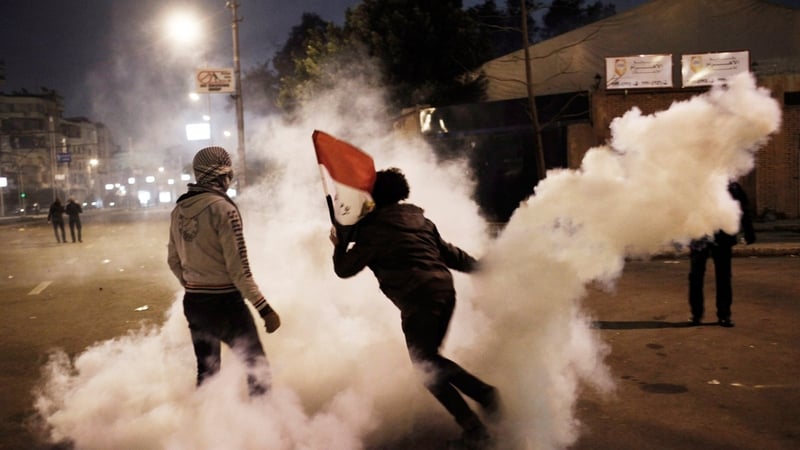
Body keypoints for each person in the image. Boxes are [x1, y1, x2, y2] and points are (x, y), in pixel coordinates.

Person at [329, 167, 500, 449]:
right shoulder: (421, 221)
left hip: (417, 297)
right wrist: (480, 266)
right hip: (444, 291)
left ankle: (483, 403)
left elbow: (344, 269)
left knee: (426, 367)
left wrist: (339, 245)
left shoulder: (373, 230)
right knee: (429, 365)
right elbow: (450, 254)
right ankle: (476, 422)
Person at [167, 146, 281, 396]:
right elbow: (239, 269)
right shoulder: (224, 210)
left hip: (195, 303)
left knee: (208, 373)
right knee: (257, 371)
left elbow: (173, 261)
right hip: (225, 305)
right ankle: (266, 427)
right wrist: (265, 309)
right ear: (220, 175)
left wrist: (194, 286)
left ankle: (206, 426)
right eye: (228, 174)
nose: (230, 180)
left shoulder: (178, 210)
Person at [688, 181, 756, 328]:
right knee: (696, 276)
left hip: (723, 235)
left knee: (723, 276)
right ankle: (696, 314)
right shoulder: (695, 181)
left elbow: (742, 207)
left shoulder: (730, 184)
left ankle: (724, 314)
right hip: (699, 234)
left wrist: (749, 231)